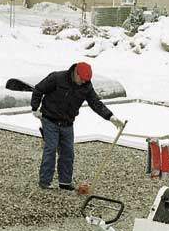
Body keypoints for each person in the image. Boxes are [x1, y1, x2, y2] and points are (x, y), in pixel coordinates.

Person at [31, 62, 124, 190]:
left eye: (86, 80)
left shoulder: (86, 86)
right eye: (81, 79)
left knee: (68, 152)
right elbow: (38, 89)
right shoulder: (57, 78)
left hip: (67, 122)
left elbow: (95, 103)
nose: (83, 82)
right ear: (75, 72)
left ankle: (65, 182)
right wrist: (35, 108)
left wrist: (110, 117)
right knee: (51, 149)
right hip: (49, 119)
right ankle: (45, 182)